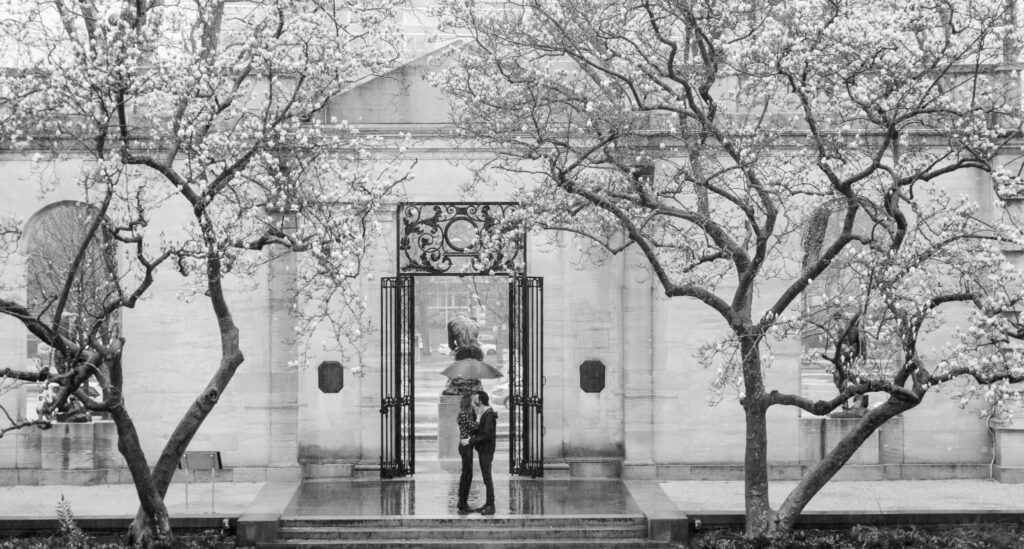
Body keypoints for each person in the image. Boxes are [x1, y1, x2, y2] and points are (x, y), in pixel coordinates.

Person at [463, 390, 497, 515]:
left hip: (487, 449)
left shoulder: (488, 414)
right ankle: (488, 503)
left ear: (481, 400)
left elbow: (487, 435)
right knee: (486, 476)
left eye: (476, 398)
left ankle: (491, 505)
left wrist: (471, 440)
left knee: (487, 477)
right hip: (484, 449)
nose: (474, 400)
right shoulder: (484, 412)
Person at [455, 393, 477, 513]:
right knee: (467, 474)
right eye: (472, 402)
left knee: (467, 474)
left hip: (466, 445)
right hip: (465, 445)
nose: (473, 403)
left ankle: (462, 501)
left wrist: (473, 413)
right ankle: (462, 502)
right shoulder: (464, 413)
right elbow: (475, 426)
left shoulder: (465, 413)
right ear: (468, 403)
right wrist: (478, 416)